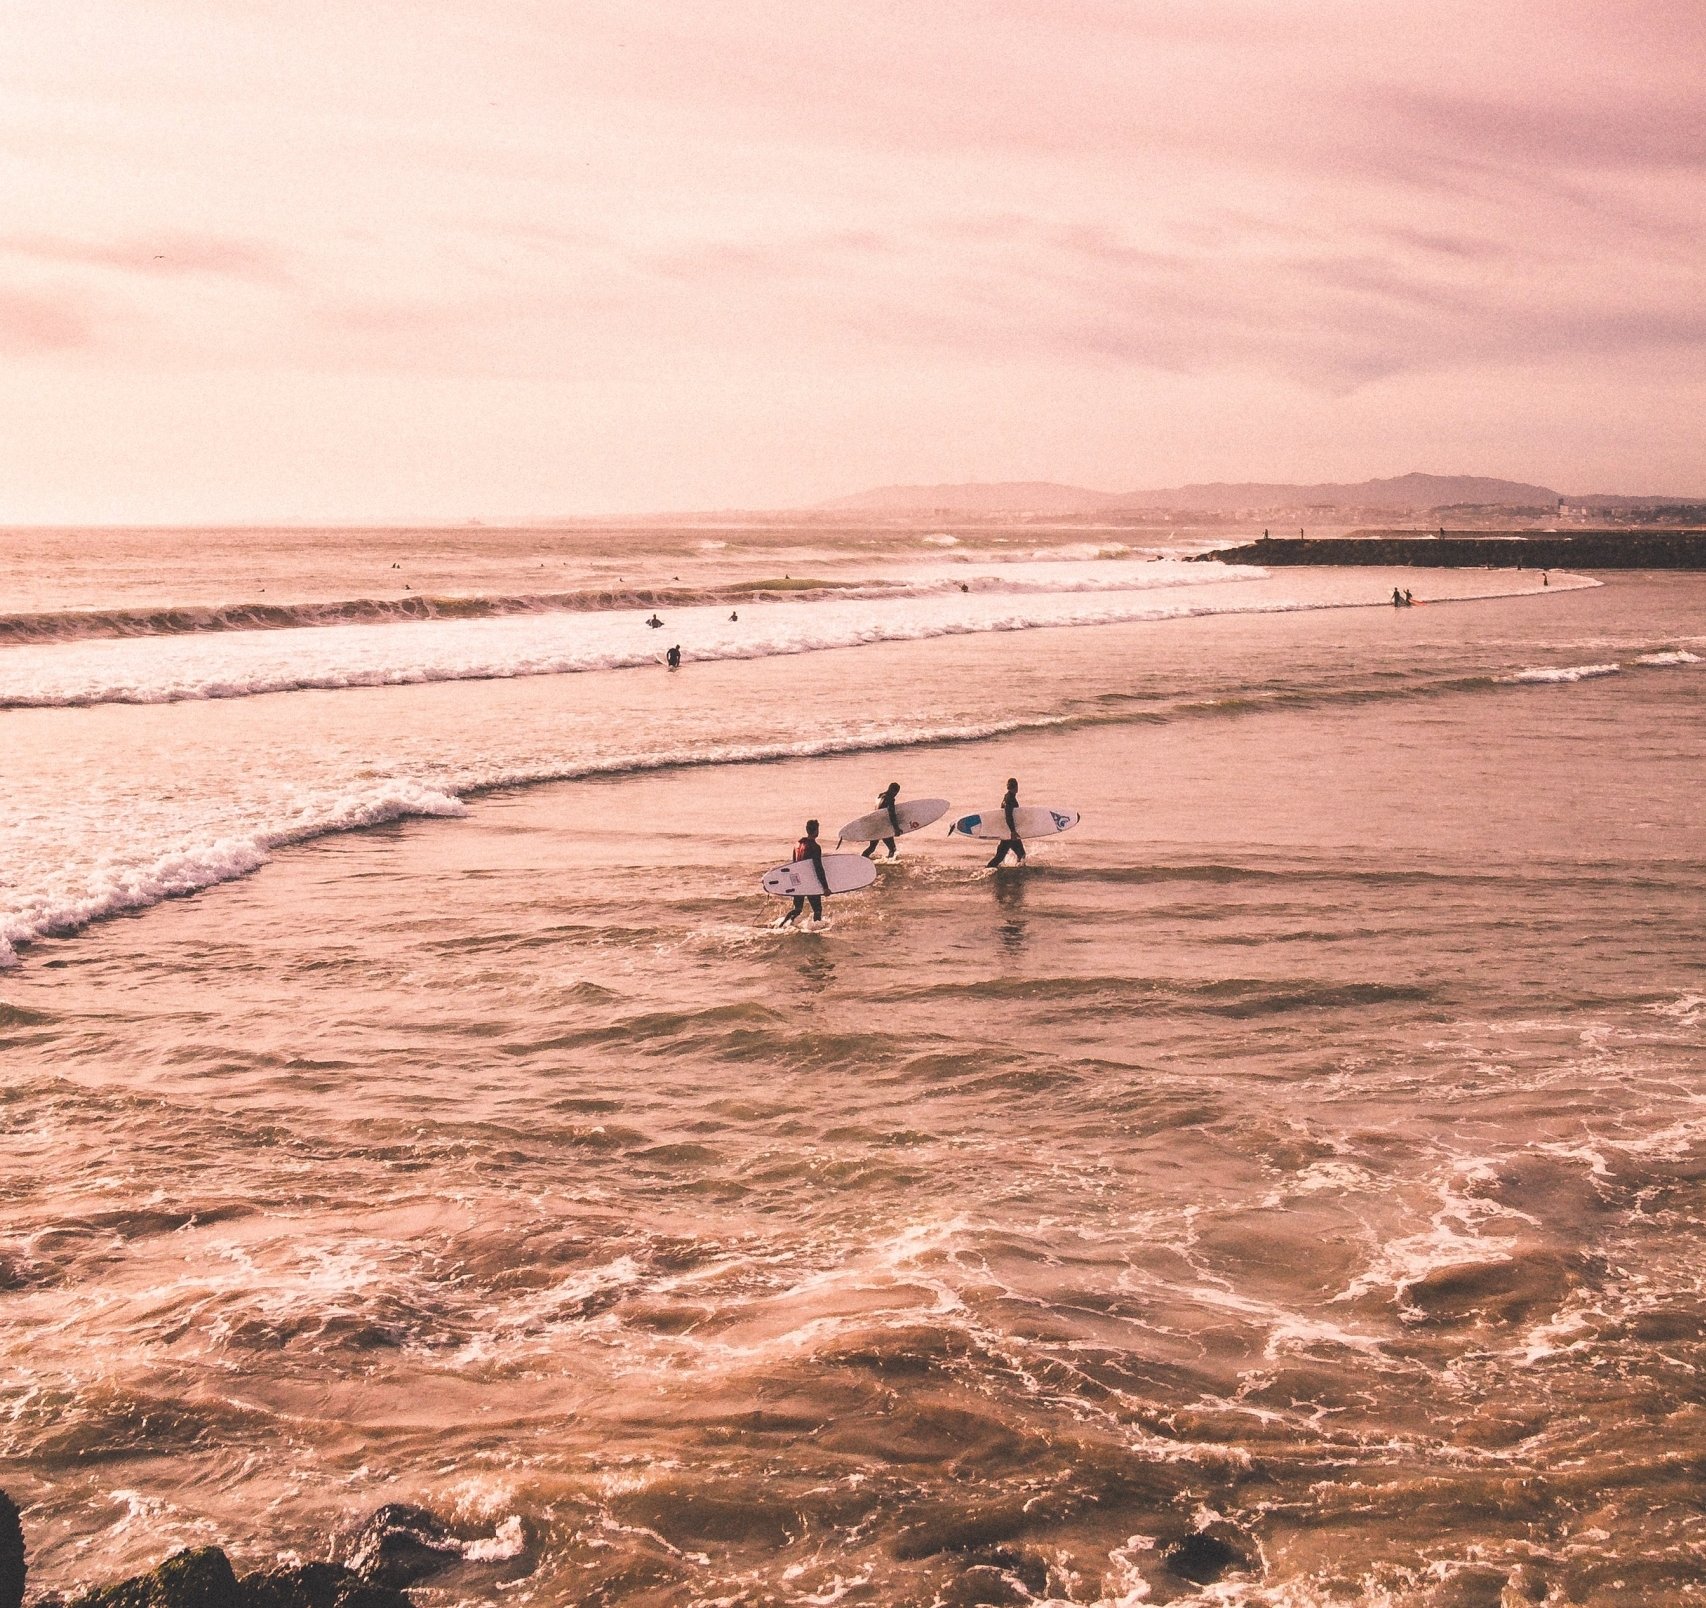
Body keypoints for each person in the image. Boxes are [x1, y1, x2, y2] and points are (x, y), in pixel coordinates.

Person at [777, 819, 828, 927]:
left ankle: (782, 925)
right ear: (816, 831)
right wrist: (825, 887)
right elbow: (818, 868)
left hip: (797, 881)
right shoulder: (815, 847)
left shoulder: (797, 845)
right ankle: (816, 931)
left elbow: (793, 865)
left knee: (798, 909)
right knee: (817, 910)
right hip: (809, 882)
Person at [987, 778, 1025, 868]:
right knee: (1003, 856)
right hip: (1009, 833)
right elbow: (1008, 815)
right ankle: (987, 869)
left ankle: (1018, 872)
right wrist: (1012, 831)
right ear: (1016, 787)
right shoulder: (1010, 799)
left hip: (1007, 831)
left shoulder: (1007, 797)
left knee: (1019, 854)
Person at [862, 782, 902, 859]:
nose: (895, 795)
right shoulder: (890, 798)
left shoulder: (880, 796)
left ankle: (862, 859)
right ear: (894, 791)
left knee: (872, 847)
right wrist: (896, 828)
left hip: (874, 825)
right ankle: (890, 863)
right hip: (882, 827)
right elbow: (891, 813)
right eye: (896, 793)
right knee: (892, 849)